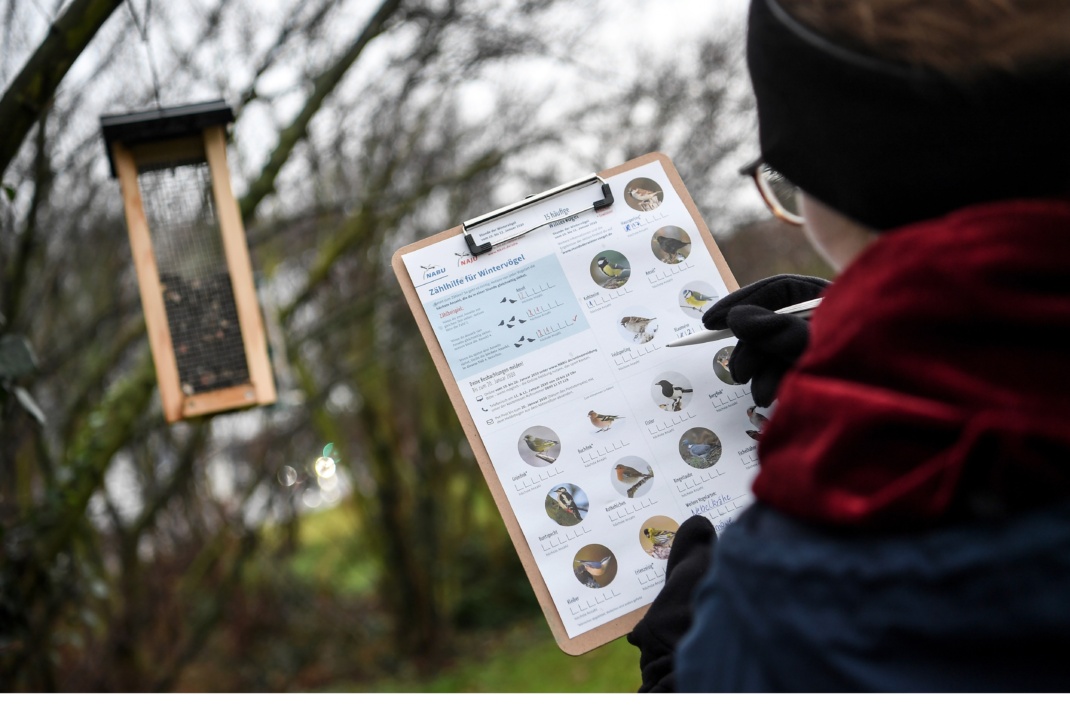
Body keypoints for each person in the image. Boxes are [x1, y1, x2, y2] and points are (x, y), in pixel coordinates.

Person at [627, 0, 1070, 692]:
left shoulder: (799, 598)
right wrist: (907, 356)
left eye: (788, 176)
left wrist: (682, 674)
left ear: (844, 181)